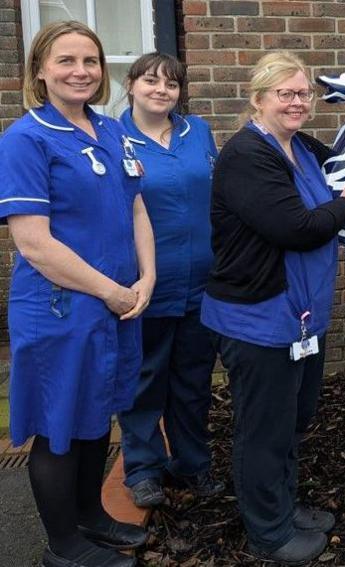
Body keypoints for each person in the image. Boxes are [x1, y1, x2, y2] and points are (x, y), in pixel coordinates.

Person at [200, 51, 345, 564]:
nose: (296, 102)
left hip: (302, 318)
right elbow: (295, 228)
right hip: (257, 317)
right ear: (258, 98)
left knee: (293, 419)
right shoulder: (248, 155)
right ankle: (268, 533)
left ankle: (283, 507)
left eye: (303, 93)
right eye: (284, 93)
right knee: (263, 428)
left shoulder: (302, 148)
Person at [0, 20, 153, 567]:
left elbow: (137, 207)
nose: (81, 71)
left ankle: (91, 517)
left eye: (90, 61)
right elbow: (35, 244)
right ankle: (63, 547)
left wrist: (147, 277)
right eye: (66, 61)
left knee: (97, 413)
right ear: (40, 70)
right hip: (61, 308)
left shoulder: (110, 131)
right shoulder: (25, 139)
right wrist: (112, 290)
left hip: (116, 302)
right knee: (58, 425)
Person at [116, 53, 224, 508]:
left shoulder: (197, 132)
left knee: (193, 381)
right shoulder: (111, 138)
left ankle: (192, 463)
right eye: (151, 81)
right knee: (144, 380)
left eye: (172, 84)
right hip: (145, 285)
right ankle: (143, 468)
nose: (161, 90)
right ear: (131, 85)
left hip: (202, 281)